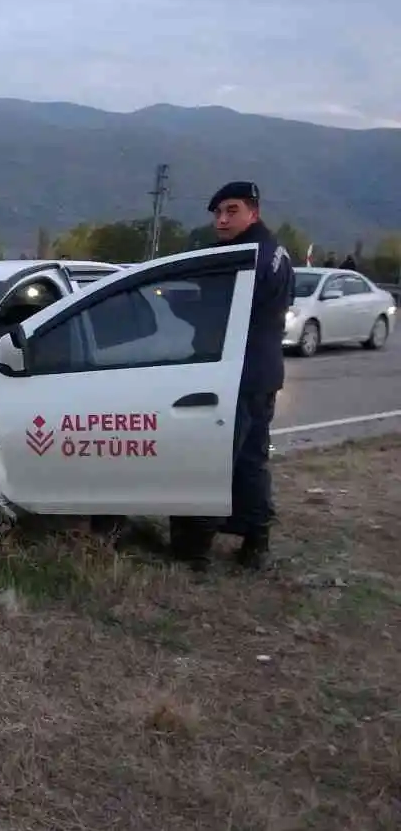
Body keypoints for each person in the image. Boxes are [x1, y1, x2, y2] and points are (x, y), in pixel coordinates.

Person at [169, 181, 293, 571]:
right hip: (261, 371)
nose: (222, 220)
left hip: (233, 376)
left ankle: (195, 549)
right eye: (218, 212)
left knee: (211, 457)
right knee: (250, 460)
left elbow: (214, 315)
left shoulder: (245, 257)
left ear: (253, 212)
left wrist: (170, 301)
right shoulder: (274, 252)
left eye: (232, 211)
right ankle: (256, 541)